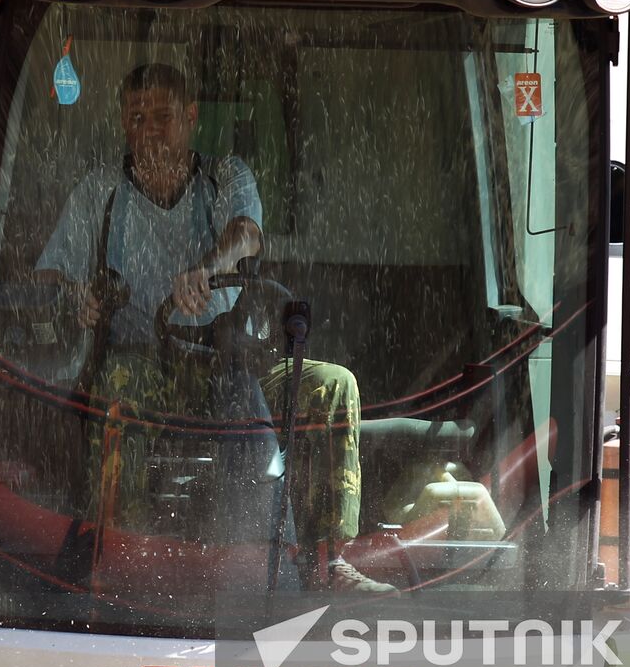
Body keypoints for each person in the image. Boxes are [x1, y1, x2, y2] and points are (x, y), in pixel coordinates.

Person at [35, 63, 394, 594]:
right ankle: (124, 558)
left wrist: (206, 269)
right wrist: (76, 295)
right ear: (122, 123)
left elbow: (246, 233)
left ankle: (325, 563)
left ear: (191, 117)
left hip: (234, 364)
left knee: (333, 385)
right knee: (119, 382)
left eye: (163, 116)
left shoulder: (226, 175)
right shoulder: (100, 191)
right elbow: (50, 273)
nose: (150, 130)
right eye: (137, 118)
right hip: (145, 365)